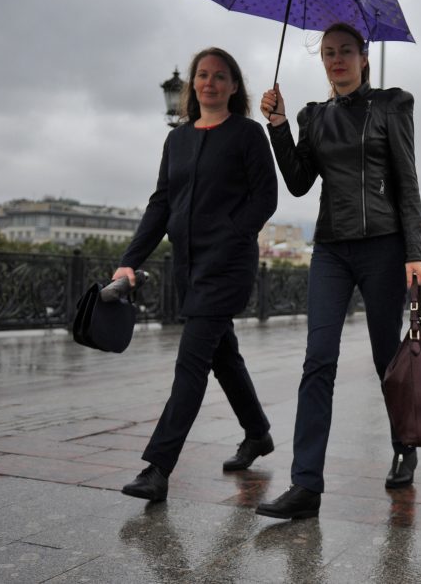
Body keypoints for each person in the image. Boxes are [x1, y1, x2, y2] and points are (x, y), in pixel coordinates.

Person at [255, 22, 421, 520]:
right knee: (318, 361)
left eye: (346, 52)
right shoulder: (315, 116)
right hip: (331, 248)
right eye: (329, 53)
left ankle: (404, 445)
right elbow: (297, 182)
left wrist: (415, 251)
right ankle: (305, 485)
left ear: (364, 57)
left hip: (383, 246)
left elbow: (407, 182)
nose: (337, 60)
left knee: (384, 358)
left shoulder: (392, 106)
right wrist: (279, 125)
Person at [115, 48, 278, 502]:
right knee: (223, 355)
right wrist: (131, 258)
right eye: (202, 75)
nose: (210, 82)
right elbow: (161, 203)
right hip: (189, 267)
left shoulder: (247, 134)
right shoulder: (178, 140)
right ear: (192, 85)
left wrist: (232, 233)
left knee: (191, 364)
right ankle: (258, 433)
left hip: (227, 266)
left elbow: (266, 197)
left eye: (220, 76)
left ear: (233, 86)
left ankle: (158, 467)